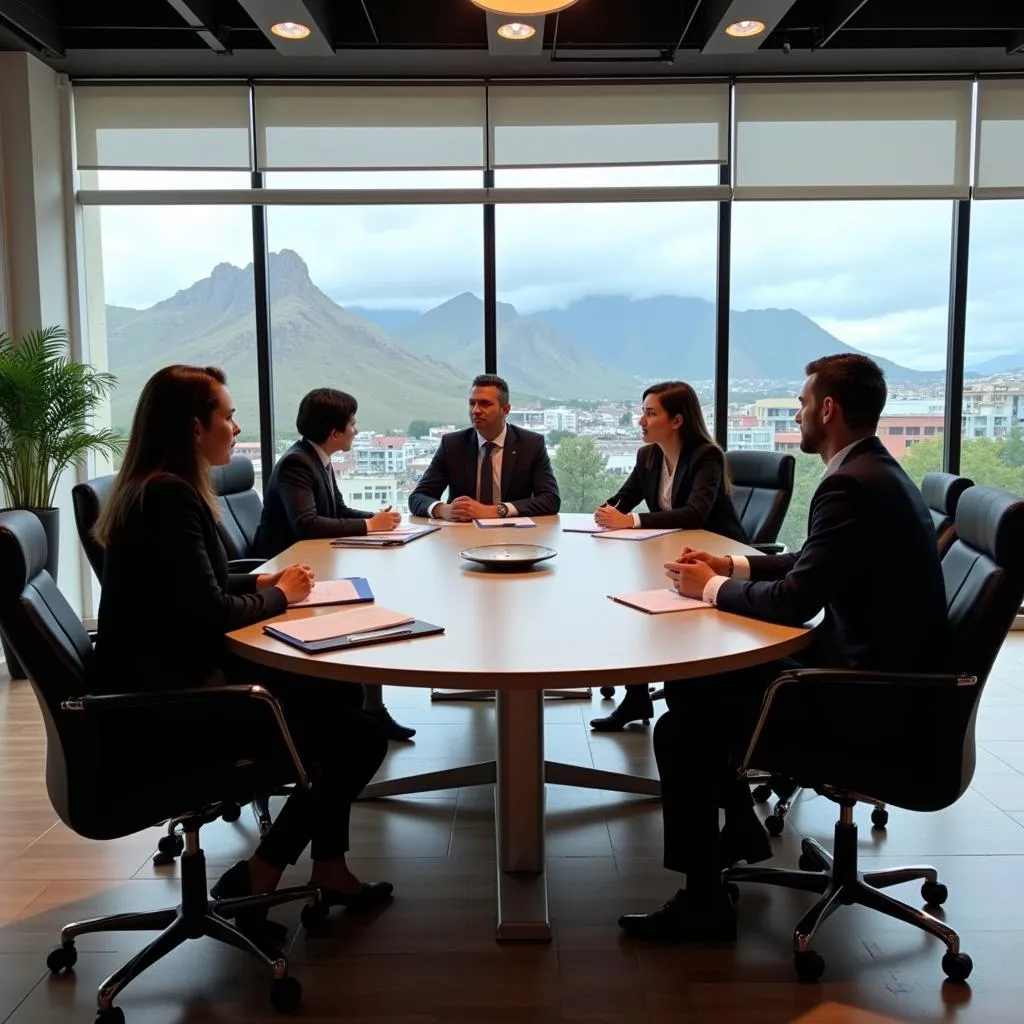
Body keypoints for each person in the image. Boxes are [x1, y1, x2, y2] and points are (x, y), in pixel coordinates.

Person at [618, 354, 952, 944]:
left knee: (680, 731)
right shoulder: (873, 471)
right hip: (874, 673)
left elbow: (798, 598)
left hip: (865, 695)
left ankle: (703, 904)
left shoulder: (850, 481)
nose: (797, 415)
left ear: (827, 409)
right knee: (692, 684)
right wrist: (733, 563)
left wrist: (713, 588)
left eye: (801, 404)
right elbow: (816, 559)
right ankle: (741, 830)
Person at [90, 365, 394, 943]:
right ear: (192, 426)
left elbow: (194, 588)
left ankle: (325, 868)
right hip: (168, 703)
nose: (235, 426)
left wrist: (261, 584)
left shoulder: (157, 486)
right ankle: (258, 877)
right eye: (226, 415)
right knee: (357, 736)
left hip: (163, 676)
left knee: (340, 696)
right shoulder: (169, 497)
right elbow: (207, 614)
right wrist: (280, 596)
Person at [254, 387, 414, 741]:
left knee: (373, 600)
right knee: (367, 605)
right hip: (290, 570)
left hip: (315, 563)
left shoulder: (319, 459)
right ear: (334, 433)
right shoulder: (298, 462)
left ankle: (372, 709)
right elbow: (307, 523)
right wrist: (369, 526)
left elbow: (337, 510)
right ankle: (364, 711)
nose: (356, 431)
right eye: (352, 424)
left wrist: (376, 520)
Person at [590, 380, 748, 732]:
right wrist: (608, 511)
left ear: (677, 420)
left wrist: (630, 520)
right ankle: (636, 698)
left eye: (650, 414)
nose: (641, 421)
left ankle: (688, 703)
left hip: (715, 558)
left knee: (653, 609)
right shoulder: (648, 456)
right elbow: (624, 499)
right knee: (634, 606)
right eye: (642, 413)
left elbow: (696, 513)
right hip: (667, 555)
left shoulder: (706, 456)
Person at [408, 374, 561, 520]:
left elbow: (550, 499)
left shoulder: (530, 444)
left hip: (513, 536)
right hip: (463, 535)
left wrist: (495, 511)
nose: (476, 410)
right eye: (472, 403)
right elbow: (417, 497)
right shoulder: (453, 445)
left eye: (485, 404)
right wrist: (443, 510)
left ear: (505, 410)